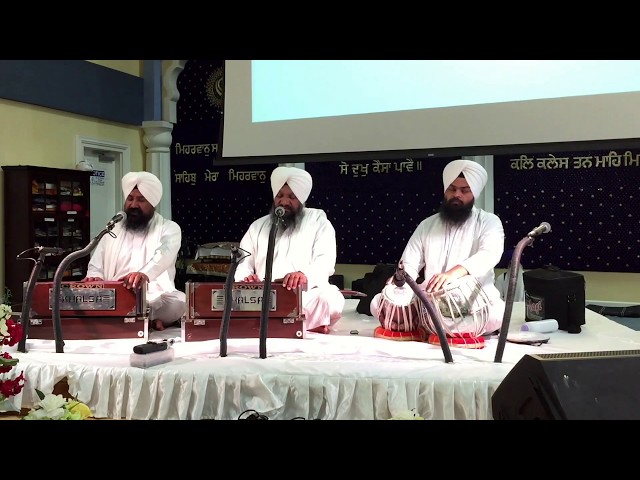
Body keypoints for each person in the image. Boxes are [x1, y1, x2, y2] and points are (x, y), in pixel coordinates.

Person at [370, 159, 506, 337]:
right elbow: (409, 263)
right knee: (377, 302)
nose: (457, 194)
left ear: (474, 193)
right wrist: (399, 281)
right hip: (430, 300)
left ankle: (429, 326)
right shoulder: (427, 225)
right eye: (452, 189)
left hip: (474, 301)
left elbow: (489, 255)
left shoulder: (489, 222)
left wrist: (453, 273)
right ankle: (433, 324)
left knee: (498, 313)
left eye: (464, 190)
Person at [234, 166, 345, 334]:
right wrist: (247, 279)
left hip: (303, 295)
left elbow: (325, 262)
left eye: (291, 197)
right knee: (233, 298)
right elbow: (243, 260)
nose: (284, 202)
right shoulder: (258, 226)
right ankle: (303, 323)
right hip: (264, 295)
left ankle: (277, 322)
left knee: (329, 299)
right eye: (280, 196)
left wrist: (303, 275)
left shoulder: (319, 223)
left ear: (301, 199)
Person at [83, 171, 186, 331]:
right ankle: (146, 321)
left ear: (153, 202)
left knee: (180, 301)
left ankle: (138, 318)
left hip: (152, 297)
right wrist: (94, 277)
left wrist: (144, 274)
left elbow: (164, 254)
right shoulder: (115, 227)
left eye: (141, 200)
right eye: (130, 199)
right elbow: (97, 260)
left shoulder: (169, 228)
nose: (133, 205)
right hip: (114, 295)